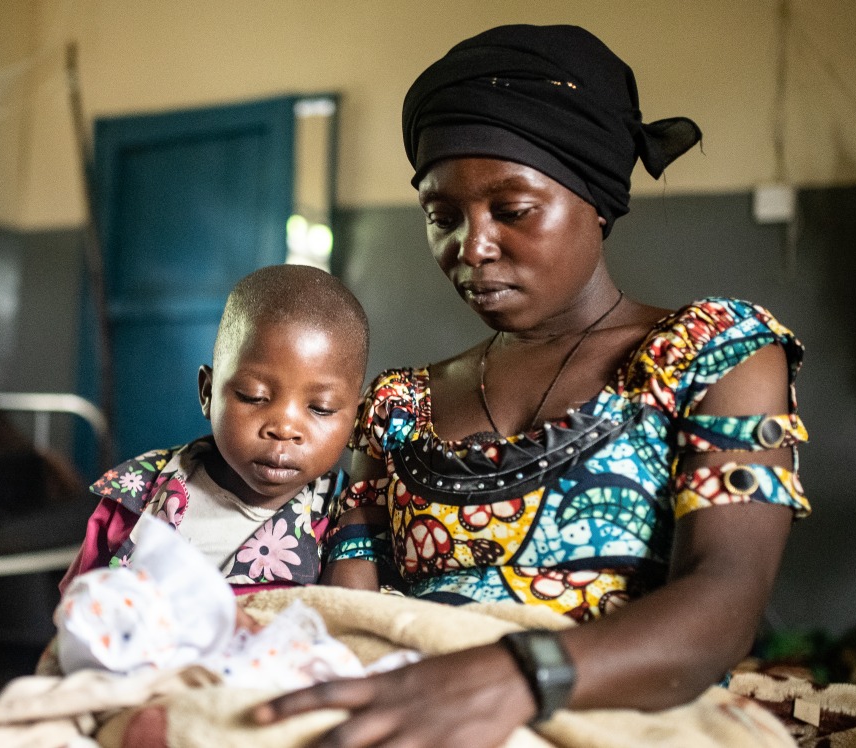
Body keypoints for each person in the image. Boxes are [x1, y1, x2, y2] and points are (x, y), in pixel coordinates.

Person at [253, 24, 811, 746]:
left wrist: (516, 678)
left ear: (598, 200)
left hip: (615, 709)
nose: (471, 247)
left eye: (511, 211)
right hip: (415, 703)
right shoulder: (396, 406)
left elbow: (725, 601)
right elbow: (345, 608)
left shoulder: (714, 353)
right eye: (441, 216)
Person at [59, 264, 370, 593]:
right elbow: (77, 614)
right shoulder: (139, 493)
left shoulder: (346, 520)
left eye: (320, 408)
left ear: (355, 418)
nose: (284, 428)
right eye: (254, 397)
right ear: (207, 392)